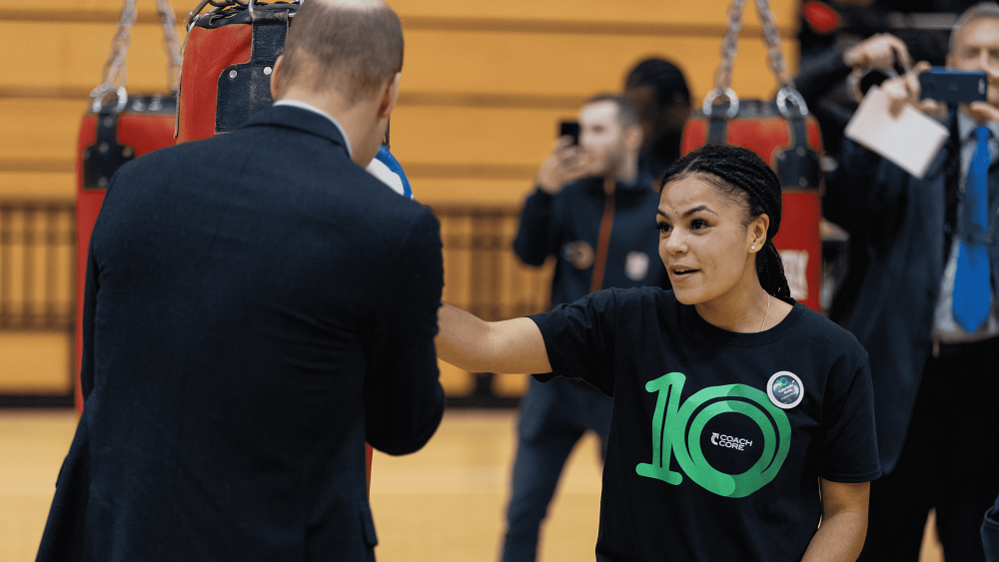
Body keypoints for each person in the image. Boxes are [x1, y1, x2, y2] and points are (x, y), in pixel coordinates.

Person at [36, 0, 445, 560]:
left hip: (122, 536)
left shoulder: (134, 184)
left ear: (276, 77)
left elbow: (97, 376)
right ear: (388, 95)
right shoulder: (392, 225)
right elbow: (403, 426)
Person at [438, 144, 881, 562]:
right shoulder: (626, 319)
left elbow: (846, 511)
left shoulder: (832, 356)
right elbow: (483, 344)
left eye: (698, 224)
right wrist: (393, 277)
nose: (673, 244)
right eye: (665, 226)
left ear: (756, 233)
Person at [827, 3, 999, 561]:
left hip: (988, 381)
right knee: (884, 541)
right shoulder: (910, 132)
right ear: (946, 67)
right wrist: (881, 118)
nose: (984, 67)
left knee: (975, 541)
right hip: (903, 376)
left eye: (997, 56)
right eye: (970, 55)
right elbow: (851, 205)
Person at [501, 94, 667, 562]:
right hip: (552, 382)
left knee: (630, 514)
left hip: (621, 391)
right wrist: (543, 192)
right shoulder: (569, 197)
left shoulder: (660, 212)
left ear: (631, 136)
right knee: (523, 511)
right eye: (584, 129)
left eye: (599, 130)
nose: (586, 139)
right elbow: (528, 253)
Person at [623, 58, 691, 182]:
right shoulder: (638, 163)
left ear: (677, 104)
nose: (635, 130)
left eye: (645, 117)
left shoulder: (708, 152)